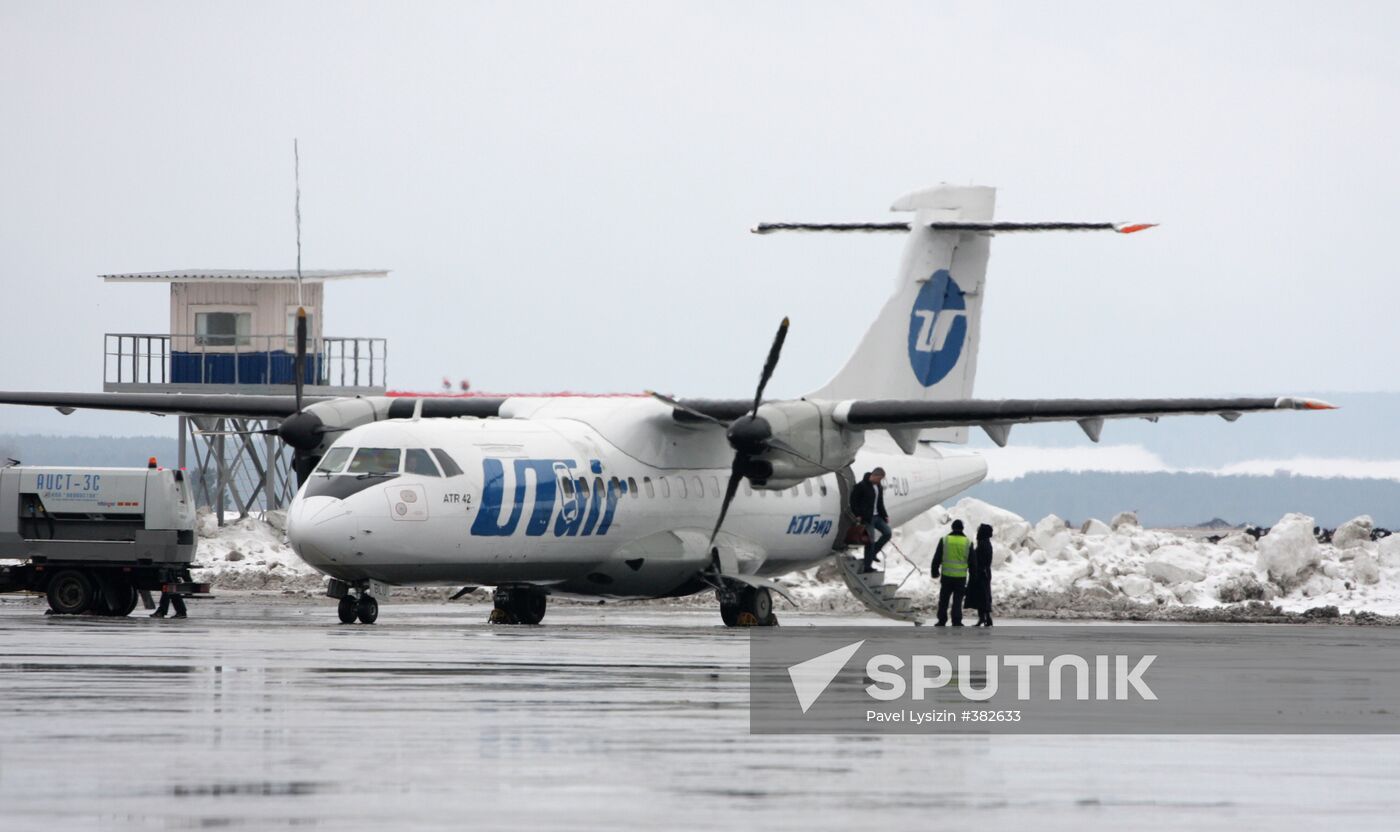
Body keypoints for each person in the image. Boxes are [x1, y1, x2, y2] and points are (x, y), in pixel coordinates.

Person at [850, 468, 891, 573]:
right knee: (870, 542)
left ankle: (872, 554)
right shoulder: (861, 486)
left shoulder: (878, 487)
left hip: (877, 517)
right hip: (867, 518)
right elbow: (853, 501)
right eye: (879, 479)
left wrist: (885, 515)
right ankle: (867, 567)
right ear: (874, 476)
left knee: (887, 533)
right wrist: (858, 514)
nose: (880, 481)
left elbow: (880, 503)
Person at [931, 519, 970, 626]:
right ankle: (956, 621)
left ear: (952, 528)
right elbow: (972, 562)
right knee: (957, 601)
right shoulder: (967, 542)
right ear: (962, 529)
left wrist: (935, 571)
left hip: (947, 576)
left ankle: (942, 620)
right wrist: (973, 576)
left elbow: (937, 557)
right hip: (961, 578)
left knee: (944, 600)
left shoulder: (945, 540)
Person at [965, 523, 995, 626]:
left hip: (981, 573)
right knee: (983, 596)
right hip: (984, 573)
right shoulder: (986, 543)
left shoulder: (983, 544)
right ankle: (985, 618)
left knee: (982, 597)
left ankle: (984, 618)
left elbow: (979, 559)